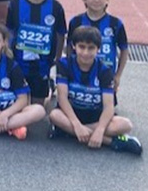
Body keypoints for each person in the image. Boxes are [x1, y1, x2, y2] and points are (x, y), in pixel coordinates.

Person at [49, 26, 142, 155]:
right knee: (54, 115)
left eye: (91, 48)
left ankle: (67, 131)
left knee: (126, 124)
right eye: (81, 47)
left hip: (95, 116)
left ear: (98, 49)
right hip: (72, 113)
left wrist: (100, 129)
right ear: (74, 46)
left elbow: (109, 106)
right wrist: (76, 125)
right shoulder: (64, 64)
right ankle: (111, 142)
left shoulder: (105, 70)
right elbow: (62, 98)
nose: (86, 52)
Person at [6, 0, 66, 106]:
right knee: (18, 102)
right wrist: (8, 51)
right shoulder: (15, 4)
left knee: (37, 106)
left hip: (42, 64)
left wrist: (58, 57)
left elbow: (60, 33)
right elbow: (9, 30)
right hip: (19, 61)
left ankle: (48, 84)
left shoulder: (55, 7)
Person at [67, 0, 129, 92]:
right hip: (79, 73)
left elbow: (124, 50)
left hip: (105, 75)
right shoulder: (75, 22)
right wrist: (69, 69)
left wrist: (118, 75)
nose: (96, 0)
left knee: (106, 102)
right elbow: (70, 48)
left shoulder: (116, 23)